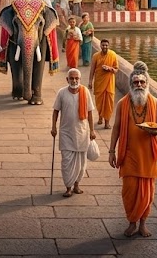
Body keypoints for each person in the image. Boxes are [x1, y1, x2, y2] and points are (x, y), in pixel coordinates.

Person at [109, 61, 157, 238]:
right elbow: (116, 127)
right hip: (129, 154)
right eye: (136, 82)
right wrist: (111, 151)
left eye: (142, 82)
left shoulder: (155, 103)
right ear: (131, 84)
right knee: (129, 190)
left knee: (147, 193)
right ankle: (132, 223)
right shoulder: (123, 104)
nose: (139, 85)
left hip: (148, 155)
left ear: (147, 84)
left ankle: (142, 224)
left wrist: (156, 129)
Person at [51, 68, 97, 197]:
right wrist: (53, 127)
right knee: (67, 161)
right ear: (67, 80)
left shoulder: (85, 92)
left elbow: (89, 112)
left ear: (80, 79)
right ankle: (68, 187)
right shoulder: (62, 93)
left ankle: (76, 185)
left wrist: (92, 130)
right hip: (66, 133)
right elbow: (55, 111)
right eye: (71, 78)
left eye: (76, 78)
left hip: (82, 133)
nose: (74, 80)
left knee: (81, 162)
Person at [89, 38, 119, 130]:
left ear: (108, 46)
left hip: (109, 83)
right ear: (100, 46)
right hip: (99, 82)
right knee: (99, 102)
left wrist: (109, 69)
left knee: (109, 103)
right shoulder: (95, 56)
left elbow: (116, 69)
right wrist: (90, 81)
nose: (104, 47)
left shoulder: (113, 55)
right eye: (103, 45)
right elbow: (92, 70)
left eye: (106, 45)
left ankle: (107, 123)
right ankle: (100, 117)